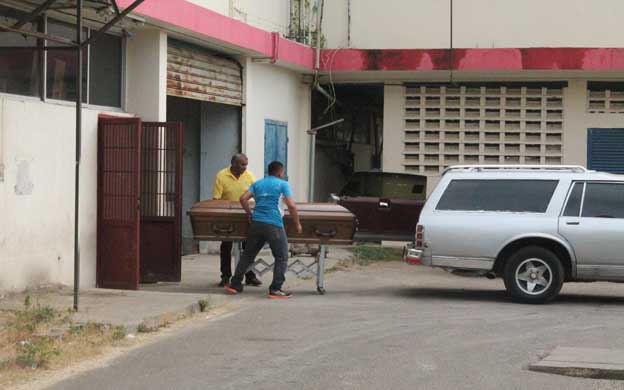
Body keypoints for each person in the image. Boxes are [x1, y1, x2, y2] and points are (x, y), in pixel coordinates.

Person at [225, 161, 302, 299]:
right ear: (280, 172)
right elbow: (291, 205)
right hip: (274, 224)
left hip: (256, 223)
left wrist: (249, 213)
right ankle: (275, 289)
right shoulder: (283, 184)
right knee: (282, 256)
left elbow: (243, 198)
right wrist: (297, 224)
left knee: (248, 255)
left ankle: (235, 284)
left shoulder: (258, 183)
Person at [213, 154, 262, 287]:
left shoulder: (249, 176)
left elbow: (257, 195)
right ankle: (225, 277)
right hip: (228, 215)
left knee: (249, 246)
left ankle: (250, 276)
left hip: (246, 214)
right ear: (233, 163)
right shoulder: (221, 175)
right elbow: (216, 199)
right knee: (226, 246)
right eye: (242, 164)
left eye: (246, 164)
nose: (245, 167)